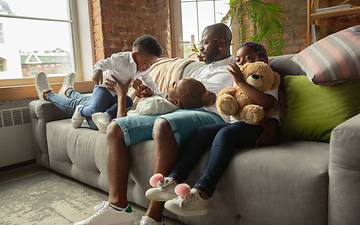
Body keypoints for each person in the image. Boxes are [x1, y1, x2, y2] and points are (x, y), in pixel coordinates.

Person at [73, 24, 279, 225]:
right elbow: (177, 97)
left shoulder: (240, 68)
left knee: (164, 124)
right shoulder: (199, 70)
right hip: (178, 110)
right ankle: (117, 209)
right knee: (116, 128)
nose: (201, 47)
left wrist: (273, 121)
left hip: (210, 115)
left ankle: (154, 217)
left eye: (205, 42)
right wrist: (155, 93)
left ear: (221, 43)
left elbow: (264, 95)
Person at [145, 41, 280, 217]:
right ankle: (173, 180)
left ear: (262, 59)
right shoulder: (237, 81)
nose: (243, 63)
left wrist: (240, 81)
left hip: (257, 126)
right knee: (202, 132)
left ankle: (202, 193)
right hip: (236, 123)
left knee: (225, 133)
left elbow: (267, 102)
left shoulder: (267, 77)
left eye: (248, 58)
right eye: (239, 60)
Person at [71, 35, 163, 129]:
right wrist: (98, 70)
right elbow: (102, 63)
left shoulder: (143, 71)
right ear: (135, 55)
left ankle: (106, 114)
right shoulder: (120, 59)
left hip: (118, 95)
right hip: (104, 88)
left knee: (129, 101)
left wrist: (160, 95)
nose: (148, 67)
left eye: (151, 64)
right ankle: (80, 110)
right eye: (146, 63)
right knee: (97, 110)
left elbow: (150, 83)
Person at [92, 75, 217, 133]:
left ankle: (73, 97)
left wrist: (121, 95)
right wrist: (150, 95)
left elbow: (122, 121)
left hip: (111, 118)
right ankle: (72, 93)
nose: (173, 82)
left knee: (90, 107)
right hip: (119, 109)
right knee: (86, 100)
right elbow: (161, 97)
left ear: (177, 102)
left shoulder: (156, 106)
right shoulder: (169, 101)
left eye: (175, 85)